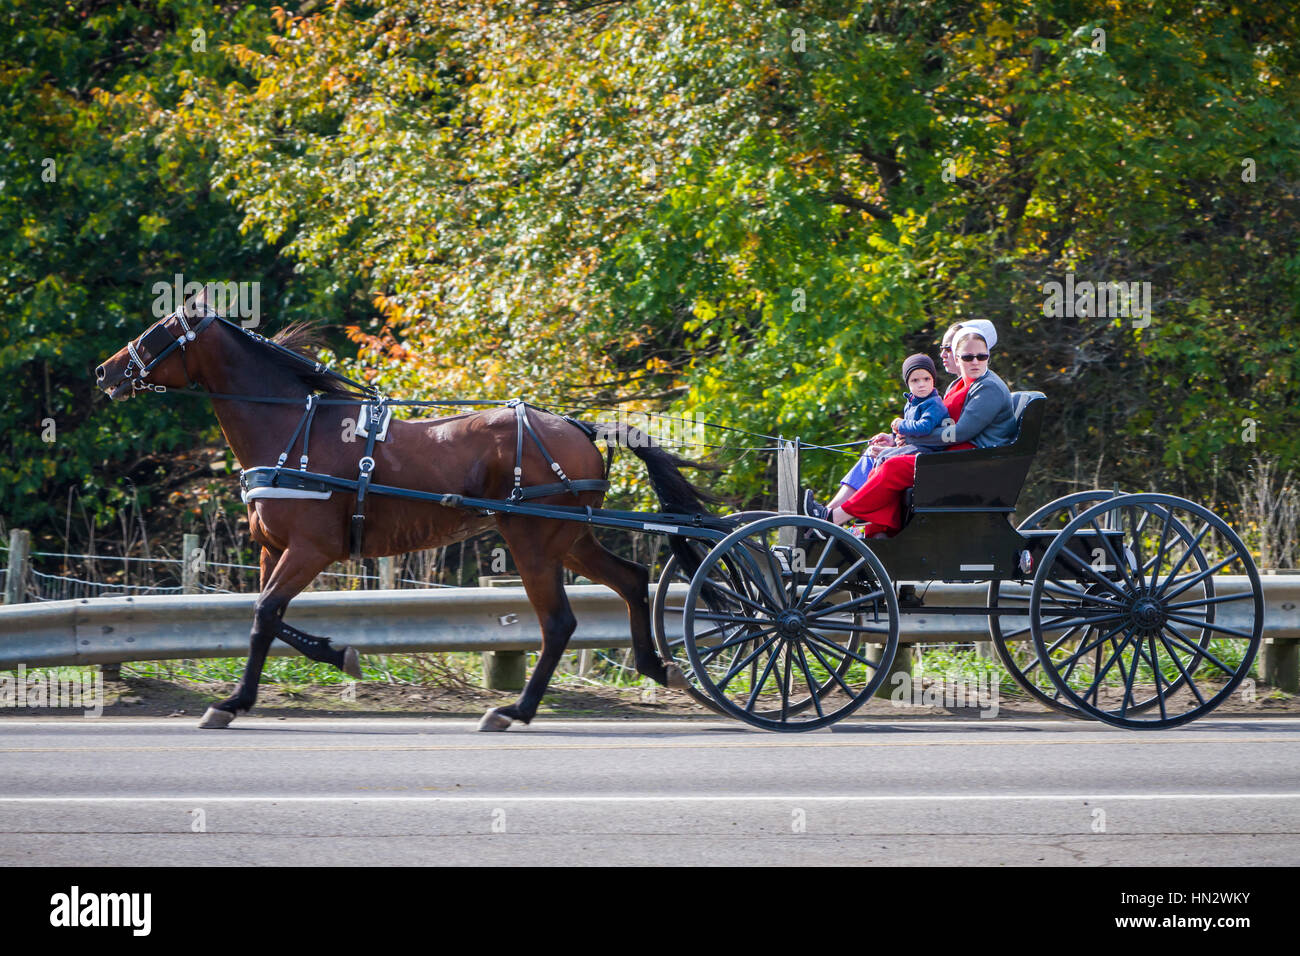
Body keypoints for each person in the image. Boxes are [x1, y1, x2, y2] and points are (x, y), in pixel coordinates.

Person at [804, 321, 1016, 535]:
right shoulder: (960, 384)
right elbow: (942, 425)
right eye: (968, 357)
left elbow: (959, 433)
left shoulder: (988, 388)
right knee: (883, 458)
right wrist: (898, 439)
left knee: (893, 467)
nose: (976, 361)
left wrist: (912, 438)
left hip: (974, 464)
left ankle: (833, 519)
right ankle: (869, 528)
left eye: (982, 356)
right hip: (955, 456)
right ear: (958, 357)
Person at [818, 322, 969, 515]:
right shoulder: (950, 389)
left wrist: (904, 431)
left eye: (948, 348)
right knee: (871, 453)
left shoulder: (961, 393)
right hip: (919, 448)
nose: (943, 354)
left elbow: (948, 433)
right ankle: (829, 509)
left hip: (935, 458)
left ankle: (841, 516)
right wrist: (893, 438)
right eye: (942, 348)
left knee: (884, 461)